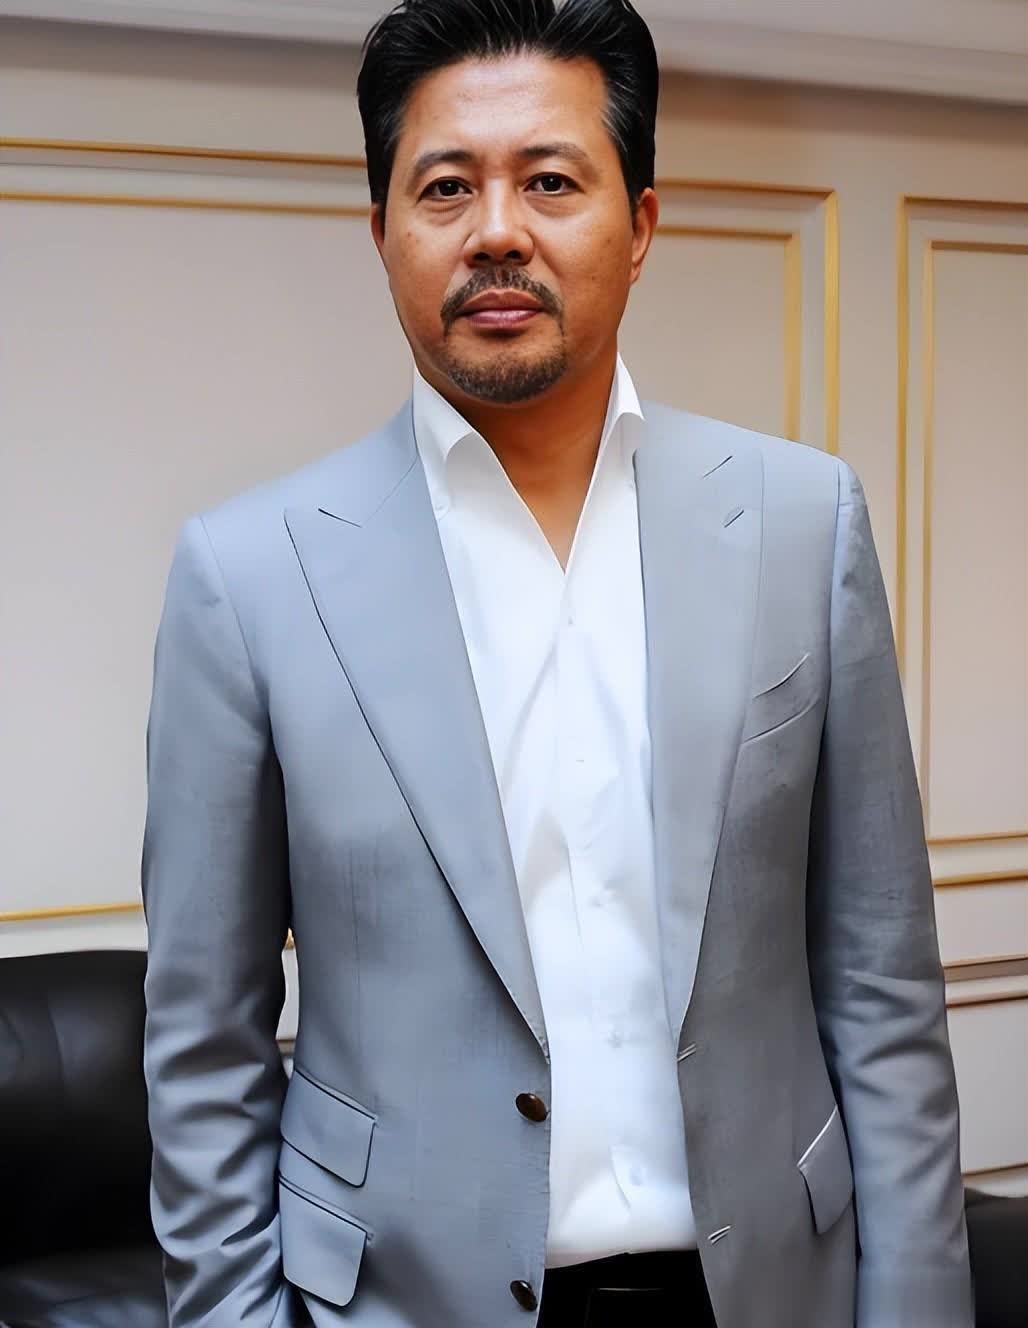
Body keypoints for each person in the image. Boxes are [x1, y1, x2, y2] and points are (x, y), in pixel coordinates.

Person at [140, 2, 974, 1325]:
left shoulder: (802, 522)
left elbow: (882, 988)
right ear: (381, 232)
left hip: (766, 1287)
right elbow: (203, 1046)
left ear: (639, 227)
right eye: (445, 188)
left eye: (549, 181)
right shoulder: (247, 574)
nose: (496, 232)